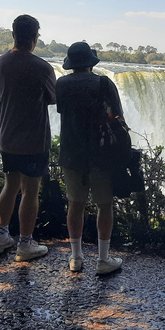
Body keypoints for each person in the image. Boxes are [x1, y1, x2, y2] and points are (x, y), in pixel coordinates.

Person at [0, 14, 57, 262]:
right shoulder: (41, 67)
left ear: (14, 34)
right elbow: (53, 98)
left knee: (10, 184)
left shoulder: (0, 63)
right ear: (34, 37)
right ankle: (25, 244)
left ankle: (1, 236)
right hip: (34, 139)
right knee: (30, 190)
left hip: (7, 134)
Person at [56, 42, 126, 275]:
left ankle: (76, 258)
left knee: (75, 204)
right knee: (104, 205)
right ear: (90, 62)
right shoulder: (104, 83)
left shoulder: (61, 84)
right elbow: (117, 116)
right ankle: (103, 259)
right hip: (101, 154)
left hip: (71, 152)